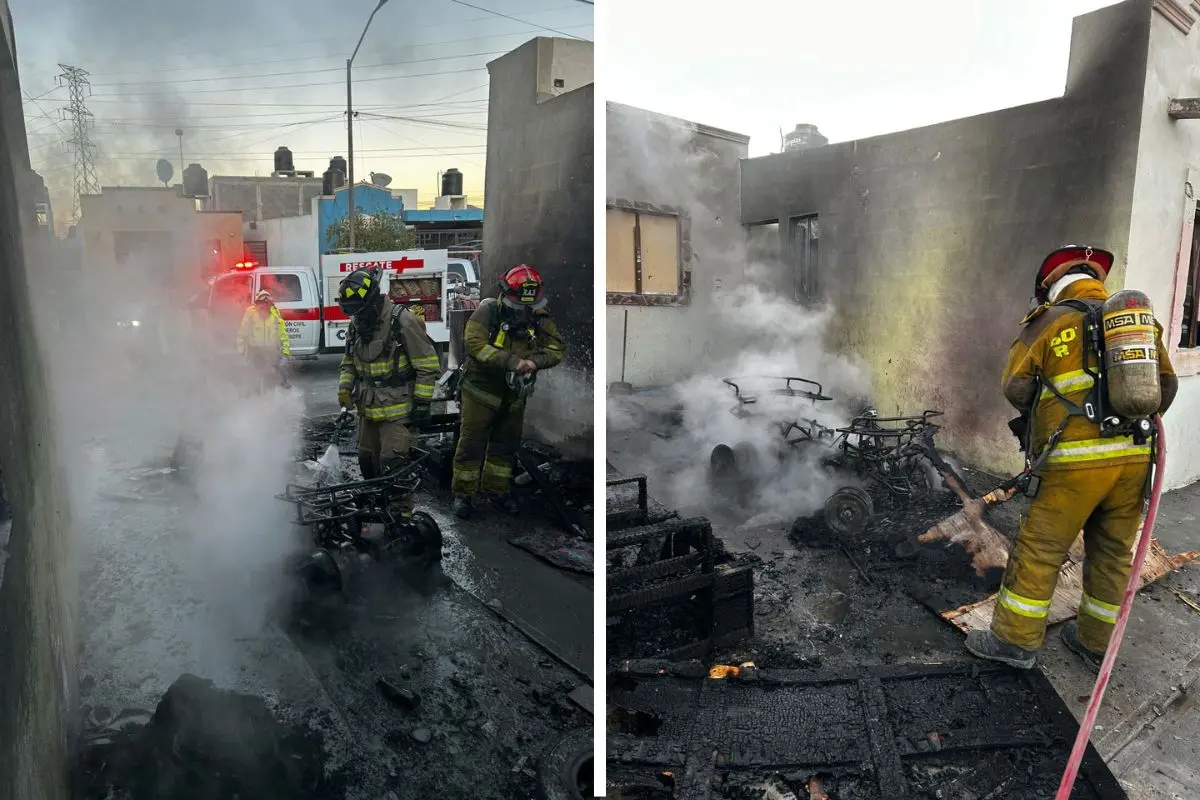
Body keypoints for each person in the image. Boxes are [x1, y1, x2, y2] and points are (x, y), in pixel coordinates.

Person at [966, 245, 1178, 671]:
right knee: (1114, 551)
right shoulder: (1140, 326)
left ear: (1050, 286)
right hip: (1135, 461)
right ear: (1096, 281)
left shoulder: (1048, 321)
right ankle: (1094, 641)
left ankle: (1014, 641)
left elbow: (1016, 387)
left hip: (1073, 465)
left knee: (1041, 548)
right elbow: (1166, 388)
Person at [451, 264, 566, 519]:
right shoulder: (487, 310)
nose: (522, 312)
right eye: (518, 305)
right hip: (480, 391)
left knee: (505, 446)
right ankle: (464, 495)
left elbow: (557, 349)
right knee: (471, 444)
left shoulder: (538, 314)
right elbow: (475, 344)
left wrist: (535, 362)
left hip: (514, 395)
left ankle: (497, 490)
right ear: (506, 294)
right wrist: (513, 361)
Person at [336, 268, 442, 520]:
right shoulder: (358, 323)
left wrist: (422, 404)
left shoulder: (403, 321)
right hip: (369, 408)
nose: (355, 317)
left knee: (393, 463)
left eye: (358, 311)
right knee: (367, 461)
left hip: (398, 409)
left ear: (371, 300)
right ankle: (379, 509)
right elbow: (349, 362)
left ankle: (400, 519)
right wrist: (344, 388)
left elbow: (428, 365)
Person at [236, 290, 290, 389]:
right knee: (256, 376)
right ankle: (255, 395)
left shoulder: (275, 313)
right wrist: (242, 352)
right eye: (262, 305)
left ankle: (282, 388)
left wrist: (285, 351)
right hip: (256, 350)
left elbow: (282, 333)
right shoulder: (251, 313)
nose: (264, 308)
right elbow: (242, 333)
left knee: (278, 372)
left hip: (271, 350)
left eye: (267, 305)